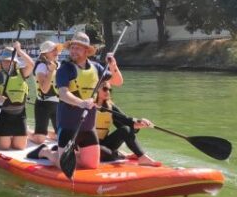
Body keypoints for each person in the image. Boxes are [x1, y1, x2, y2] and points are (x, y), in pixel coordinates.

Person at [39, 32, 123, 170]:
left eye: (77, 48)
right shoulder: (65, 68)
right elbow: (63, 94)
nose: (73, 51)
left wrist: (113, 66)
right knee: (64, 167)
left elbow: (118, 81)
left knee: (91, 165)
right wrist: (82, 103)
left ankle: (73, 155)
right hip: (68, 126)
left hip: (88, 127)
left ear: (86, 50)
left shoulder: (97, 68)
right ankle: (47, 152)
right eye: (72, 47)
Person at [95, 80, 160, 166]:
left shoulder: (111, 108)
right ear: (96, 89)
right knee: (101, 151)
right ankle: (122, 155)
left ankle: (142, 157)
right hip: (89, 146)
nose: (108, 92)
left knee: (126, 129)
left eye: (110, 90)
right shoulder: (87, 106)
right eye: (105, 89)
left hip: (106, 144)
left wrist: (139, 123)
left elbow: (126, 122)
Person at [0, 42, 34, 150]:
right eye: (4, 61)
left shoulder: (22, 73)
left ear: (14, 62)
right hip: (3, 114)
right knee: (4, 147)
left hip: (19, 115)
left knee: (19, 147)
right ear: (1, 62)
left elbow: (31, 64)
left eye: (9, 61)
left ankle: (19, 133)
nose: (7, 63)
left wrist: (19, 50)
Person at [32, 40, 63, 144]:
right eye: (53, 50)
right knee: (39, 140)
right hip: (43, 105)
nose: (56, 52)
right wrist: (50, 71)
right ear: (45, 54)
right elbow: (44, 89)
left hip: (58, 104)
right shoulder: (41, 67)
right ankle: (26, 133)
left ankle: (47, 133)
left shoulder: (59, 65)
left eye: (56, 50)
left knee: (62, 137)